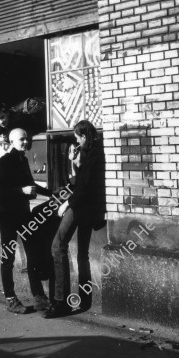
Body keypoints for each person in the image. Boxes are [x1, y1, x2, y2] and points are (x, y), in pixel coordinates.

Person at [43, 120, 106, 318]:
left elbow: (82, 186)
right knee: (82, 253)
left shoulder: (94, 154)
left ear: (84, 136)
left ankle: (61, 302)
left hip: (79, 207)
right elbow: (81, 179)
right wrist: (75, 163)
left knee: (58, 245)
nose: (77, 141)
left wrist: (67, 203)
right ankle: (84, 299)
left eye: (78, 137)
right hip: (89, 208)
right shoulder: (95, 152)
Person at [0, 128, 52, 314]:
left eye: (27, 139)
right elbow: (1, 190)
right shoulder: (4, 161)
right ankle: (11, 299)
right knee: (8, 259)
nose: (25, 142)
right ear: (11, 142)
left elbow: (31, 183)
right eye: (21, 139)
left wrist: (52, 193)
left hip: (23, 214)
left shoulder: (23, 159)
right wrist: (22, 192)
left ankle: (39, 298)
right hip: (8, 216)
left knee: (33, 255)